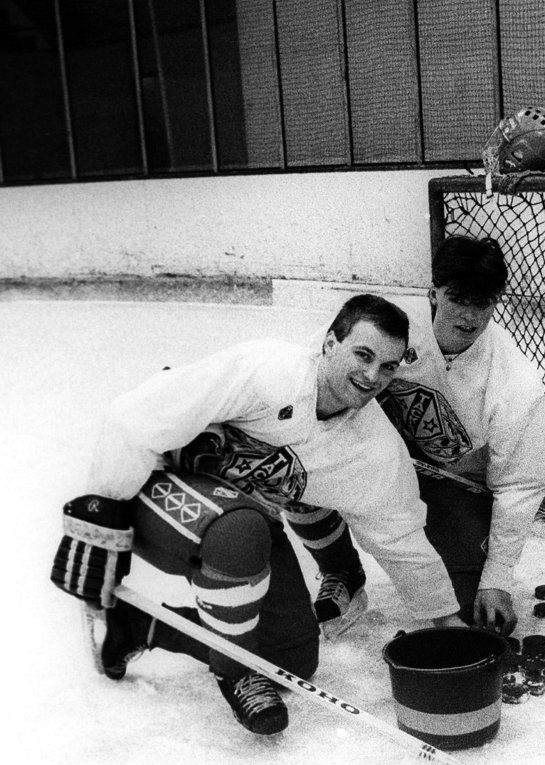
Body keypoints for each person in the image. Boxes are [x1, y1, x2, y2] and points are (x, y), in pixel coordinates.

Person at [50, 294, 465, 736]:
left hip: (239, 512)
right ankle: (235, 672)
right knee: (241, 531)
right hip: (146, 480)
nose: (371, 376)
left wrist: (446, 618)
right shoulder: (268, 371)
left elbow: (400, 534)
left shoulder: (373, 451)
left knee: (291, 660)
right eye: (362, 355)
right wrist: (101, 521)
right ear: (329, 343)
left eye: (387, 366)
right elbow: (134, 419)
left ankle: (139, 625)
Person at [293, 235, 545, 637]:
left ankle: (463, 558)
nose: (468, 316)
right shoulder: (395, 326)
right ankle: (341, 570)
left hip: (453, 487)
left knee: (464, 613)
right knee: (293, 468)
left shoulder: (516, 380)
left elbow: (520, 482)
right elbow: (319, 368)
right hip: (374, 459)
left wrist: (497, 578)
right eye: (457, 299)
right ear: (434, 293)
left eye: (482, 303)